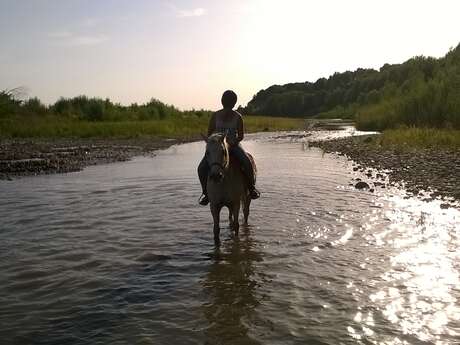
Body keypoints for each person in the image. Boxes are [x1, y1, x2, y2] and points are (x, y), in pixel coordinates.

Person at [198, 90, 260, 206]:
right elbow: (210, 133)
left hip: (234, 145)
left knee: (246, 161)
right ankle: (206, 193)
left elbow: (241, 136)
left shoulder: (238, 117)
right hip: (218, 147)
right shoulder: (215, 116)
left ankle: (251, 188)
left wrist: (232, 143)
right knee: (201, 167)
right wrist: (214, 143)